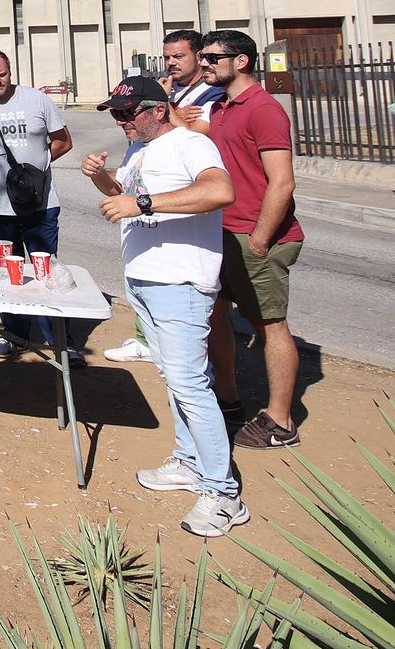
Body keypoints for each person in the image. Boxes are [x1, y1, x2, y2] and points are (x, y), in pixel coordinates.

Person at [82, 75, 246, 536]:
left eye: (127, 113)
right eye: (115, 114)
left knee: (192, 384)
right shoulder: (142, 149)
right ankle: (190, 461)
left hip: (181, 281)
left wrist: (145, 204)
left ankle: (223, 493)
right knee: (174, 378)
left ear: (157, 109)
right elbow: (124, 196)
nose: (120, 123)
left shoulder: (191, 146)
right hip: (146, 279)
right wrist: (102, 178)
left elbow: (220, 192)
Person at [201, 29, 306, 449]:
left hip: (254, 236)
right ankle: (228, 400)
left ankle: (281, 421)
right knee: (215, 315)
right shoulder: (222, 106)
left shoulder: (264, 109)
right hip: (222, 232)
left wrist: (260, 239)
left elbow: (282, 183)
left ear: (240, 61)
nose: (203, 62)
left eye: (211, 57)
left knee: (270, 326)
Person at [105, 30, 227, 364]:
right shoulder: (144, 139)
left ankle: (224, 394)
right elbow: (125, 188)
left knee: (189, 375)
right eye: (168, 56)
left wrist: (167, 104)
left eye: (180, 56)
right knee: (175, 372)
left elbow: (199, 137)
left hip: (186, 264)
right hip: (146, 268)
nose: (171, 63)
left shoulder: (211, 94)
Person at [0, 50, 78, 362]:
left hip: (39, 205)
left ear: (10, 71)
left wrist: (33, 174)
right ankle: (15, 335)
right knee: (4, 274)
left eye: (2, 74)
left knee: (46, 271)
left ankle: (60, 342)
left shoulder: (36, 100)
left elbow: (62, 140)